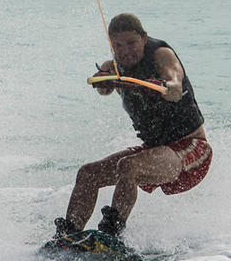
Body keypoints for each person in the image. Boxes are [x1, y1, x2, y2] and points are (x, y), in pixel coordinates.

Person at [55, 13, 212, 238]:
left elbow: (175, 84)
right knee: (88, 173)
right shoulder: (114, 67)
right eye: (118, 45)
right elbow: (102, 87)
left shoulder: (161, 55)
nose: (126, 50)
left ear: (144, 39)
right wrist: (104, 81)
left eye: (131, 43)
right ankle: (67, 237)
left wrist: (162, 86)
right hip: (154, 152)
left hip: (191, 149)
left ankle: (111, 235)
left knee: (128, 166)